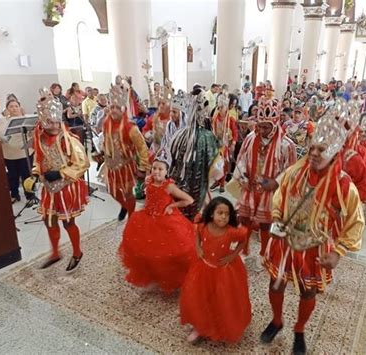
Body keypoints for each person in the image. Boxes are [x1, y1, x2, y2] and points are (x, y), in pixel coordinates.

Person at [261, 105, 365, 354]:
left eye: (322, 149)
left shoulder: (344, 185)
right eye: (312, 148)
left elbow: (356, 221)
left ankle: (299, 329)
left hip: (315, 247)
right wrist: (276, 219)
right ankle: (277, 321)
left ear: (334, 151)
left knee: (308, 292)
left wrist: (338, 252)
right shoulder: (296, 171)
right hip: (286, 242)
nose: (315, 153)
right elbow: (280, 193)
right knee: (276, 285)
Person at [23, 88, 89, 271]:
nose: (53, 126)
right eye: (49, 122)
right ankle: (55, 253)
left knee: (68, 222)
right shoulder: (40, 139)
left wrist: (60, 173)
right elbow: (39, 160)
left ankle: (77, 252)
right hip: (49, 188)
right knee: (49, 220)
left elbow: (82, 164)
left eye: (56, 122)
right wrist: (36, 174)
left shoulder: (69, 139)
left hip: (66, 186)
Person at [180, 197, 251, 343]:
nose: (224, 217)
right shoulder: (204, 225)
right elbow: (197, 233)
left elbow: (243, 240)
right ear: (212, 213)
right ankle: (199, 326)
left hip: (223, 272)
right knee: (201, 297)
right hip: (203, 268)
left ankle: (221, 324)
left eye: (227, 214)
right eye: (220, 213)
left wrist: (232, 256)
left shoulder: (231, 232)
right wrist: (198, 247)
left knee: (222, 299)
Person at [119, 156, 195, 293]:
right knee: (146, 250)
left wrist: (172, 205)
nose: (156, 172)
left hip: (165, 221)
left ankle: (170, 276)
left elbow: (189, 200)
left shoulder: (169, 186)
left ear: (167, 171)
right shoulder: (149, 182)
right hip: (147, 218)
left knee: (168, 251)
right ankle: (152, 274)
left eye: (160, 169)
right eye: (154, 168)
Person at [233, 100, 296, 264]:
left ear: (275, 124)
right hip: (250, 186)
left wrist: (276, 182)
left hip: (271, 192)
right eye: (260, 126)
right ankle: (243, 251)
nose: (261, 130)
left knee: (265, 224)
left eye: (266, 127)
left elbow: (291, 171)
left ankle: (264, 254)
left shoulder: (286, 145)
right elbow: (240, 160)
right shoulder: (250, 138)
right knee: (244, 219)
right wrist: (242, 177)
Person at [101, 80, 151, 220]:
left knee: (128, 193)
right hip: (111, 166)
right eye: (112, 107)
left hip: (126, 167)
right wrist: (102, 152)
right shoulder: (106, 123)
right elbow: (106, 141)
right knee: (112, 191)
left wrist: (143, 167)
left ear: (123, 108)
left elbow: (142, 148)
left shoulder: (131, 127)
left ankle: (131, 217)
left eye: (117, 107)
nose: (114, 110)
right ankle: (125, 205)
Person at [169, 88, 219, 221]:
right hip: (199, 189)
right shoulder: (208, 137)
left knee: (181, 217)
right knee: (196, 216)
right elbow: (216, 168)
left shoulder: (178, 135)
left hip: (179, 188)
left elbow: (171, 161)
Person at [0, 99, 34, 203]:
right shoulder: (1, 121)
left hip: (25, 153)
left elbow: (34, 133)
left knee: (27, 175)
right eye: (11, 106)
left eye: (16, 106)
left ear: (20, 107)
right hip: (9, 154)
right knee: (12, 176)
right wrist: (0, 139)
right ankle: (14, 194)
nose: (14, 108)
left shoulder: (26, 119)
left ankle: (30, 196)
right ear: (7, 109)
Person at [210, 94, 238, 193]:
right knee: (216, 164)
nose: (220, 108)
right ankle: (217, 181)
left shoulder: (230, 119)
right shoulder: (215, 117)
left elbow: (235, 133)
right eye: (219, 106)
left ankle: (222, 183)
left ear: (226, 107)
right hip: (216, 143)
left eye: (222, 106)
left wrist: (233, 143)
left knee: (224, 164)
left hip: (225, 144)